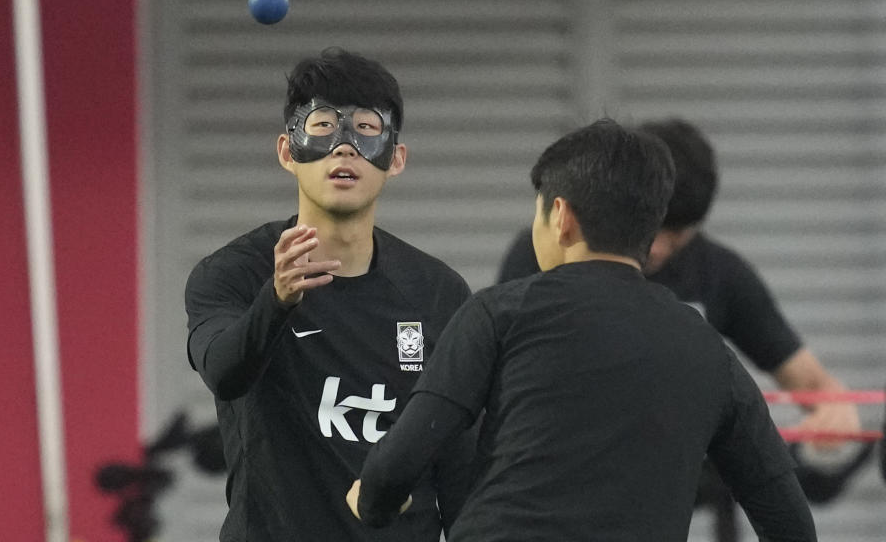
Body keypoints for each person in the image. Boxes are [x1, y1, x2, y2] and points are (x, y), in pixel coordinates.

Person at [347, 119, 817, 541]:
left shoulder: (497, 313)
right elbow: (789, 520)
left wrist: (374, 502)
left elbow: (400, 460)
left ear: (562, 217)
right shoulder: (710, 353)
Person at [185, 47, 473, 541]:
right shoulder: (234, 273)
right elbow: (223, 371)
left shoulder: (438, 292)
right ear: (286, 152)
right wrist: (276, 301)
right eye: (321, 126)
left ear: (396, 158)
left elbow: (460, 462)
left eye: (366, 129)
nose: (344, 148)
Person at [497, 118, 861, 445]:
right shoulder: (542, 252)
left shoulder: (720, 273)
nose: (656, 247)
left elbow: (813, 384)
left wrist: (834, 410)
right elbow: (498, 377)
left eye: (676, 234)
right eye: (654, 225)